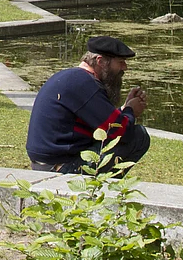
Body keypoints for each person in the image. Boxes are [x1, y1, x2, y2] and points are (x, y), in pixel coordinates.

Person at [26, 35, 151, 173]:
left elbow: (101, 123)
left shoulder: (74, 78)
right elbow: (121, 132)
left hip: (47, 163)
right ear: (101, 61)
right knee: (139, 136)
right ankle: (101, 189)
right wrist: (130, 111)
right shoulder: (84, 83)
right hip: (59, 167)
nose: (125, 68)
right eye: (120, 62)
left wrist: (124, 108)